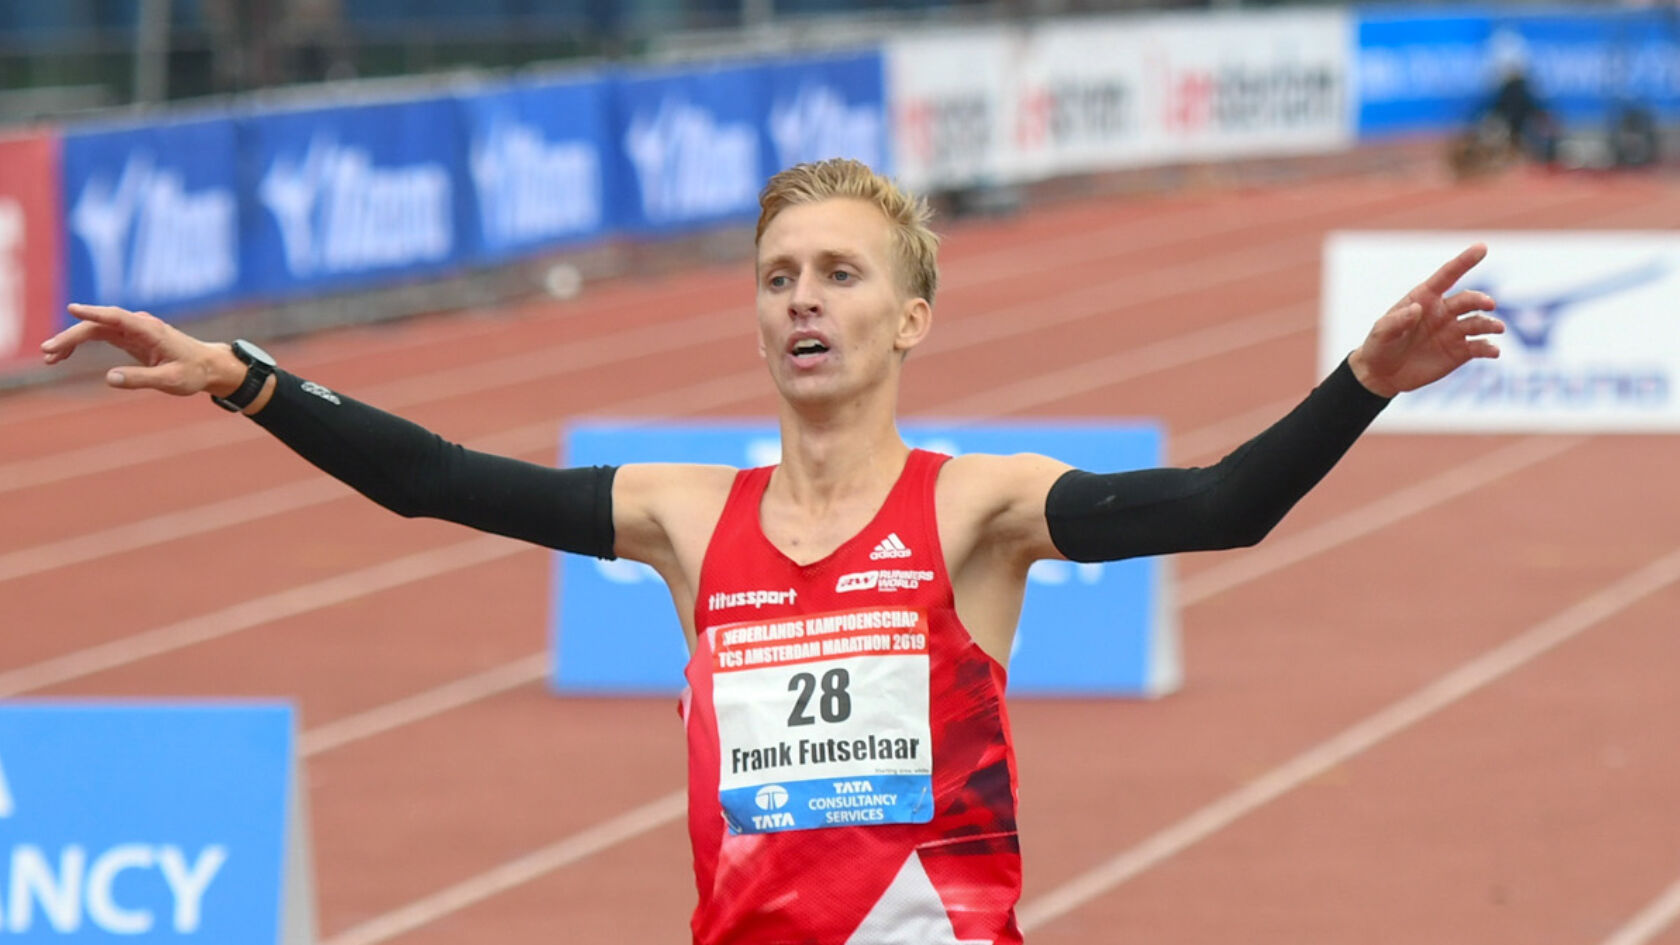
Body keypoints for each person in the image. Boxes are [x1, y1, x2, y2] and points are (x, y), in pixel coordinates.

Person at [40, 158, 1503, 944]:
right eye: (778, 275)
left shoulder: (974, 507)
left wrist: (1359, 382)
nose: (804, 300)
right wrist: (244, 376)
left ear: (909, 317)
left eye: (840, 274)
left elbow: (1222, 504)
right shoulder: (689, 518)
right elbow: (436, 481)